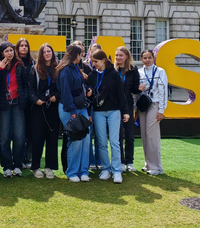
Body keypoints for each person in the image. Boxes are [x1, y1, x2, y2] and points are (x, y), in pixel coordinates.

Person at [86, 49, 128, 184]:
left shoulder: (114, 74)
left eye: (95, 61)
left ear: (103, 60)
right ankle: (106, 169)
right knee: (102, 142)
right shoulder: (91, 75)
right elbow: (90, 95)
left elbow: (121, 94)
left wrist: (125, 111)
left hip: (114, 111)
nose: (93, 64)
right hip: (98, 111)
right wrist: (90, 93)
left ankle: (117, 171)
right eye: (92, 61)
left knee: (115, 141)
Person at [56, 44, 91, 182]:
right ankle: (72, 172)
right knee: (75, 140)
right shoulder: (65, 71)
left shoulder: (76, 68)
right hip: (69, 110)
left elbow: (79, 87)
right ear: (76, 55)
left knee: (85, 140)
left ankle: (83, 171)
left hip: (80, 108)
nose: (82, 55)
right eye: (81, 53)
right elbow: (66, 93)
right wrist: (73, 111)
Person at [0, 42, 27, 177]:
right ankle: (7, 166)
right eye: (7, 51)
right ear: (2, 53)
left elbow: (24, 84)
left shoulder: (20, 66)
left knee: (19, 136)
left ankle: (18, 164)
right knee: (4, 136)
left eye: (11, 50)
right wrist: (0, 70)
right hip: (4, 104)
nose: (10, 53)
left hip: (17, 103)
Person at [27, 43, 59, 179]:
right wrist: (35, 100)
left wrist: (56, 97)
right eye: (44, 52)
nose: (47, 53)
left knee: (52, 138)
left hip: (52, 107)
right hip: (38, 108)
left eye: (49, 51)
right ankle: (36, 167)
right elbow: (30, 88)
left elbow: (61, 88)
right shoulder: (35, 69)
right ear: (41, 54)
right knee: (38, 138)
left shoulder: (57, 69)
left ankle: (49, 167)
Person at [138, 49, 168, 176]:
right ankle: (148, 164)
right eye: (144, 58)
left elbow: (163, 91)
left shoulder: (160, 71)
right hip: (143, 105)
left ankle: (156, 166)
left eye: (149, 57)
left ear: (153, 58)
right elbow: (136, 91)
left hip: (154, 104)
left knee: (152, 136)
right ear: (141, 59)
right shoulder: (139, 72)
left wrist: (161, 110)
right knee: (144, 135)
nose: (147, 60)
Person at [115, 46, 141, 172]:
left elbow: (134, 89)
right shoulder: (112, 70)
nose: (118, 57)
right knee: (118, 135)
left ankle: (129, 161)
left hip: (129, 105)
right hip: (115, 106)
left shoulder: (133, 70)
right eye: (117, 55)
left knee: (129, 135)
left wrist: (139, 89)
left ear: (126, 56)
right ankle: (120, 161)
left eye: (121, 55)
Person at [15, 37, 34, 169]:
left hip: (31, 101)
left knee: (30, 131)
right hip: (20, 102)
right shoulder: (15, 63)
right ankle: (19, 157)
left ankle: (28, 156)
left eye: (25, 46)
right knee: (19, 132)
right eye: (21, 46)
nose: (23, 48)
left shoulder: (33, 63)